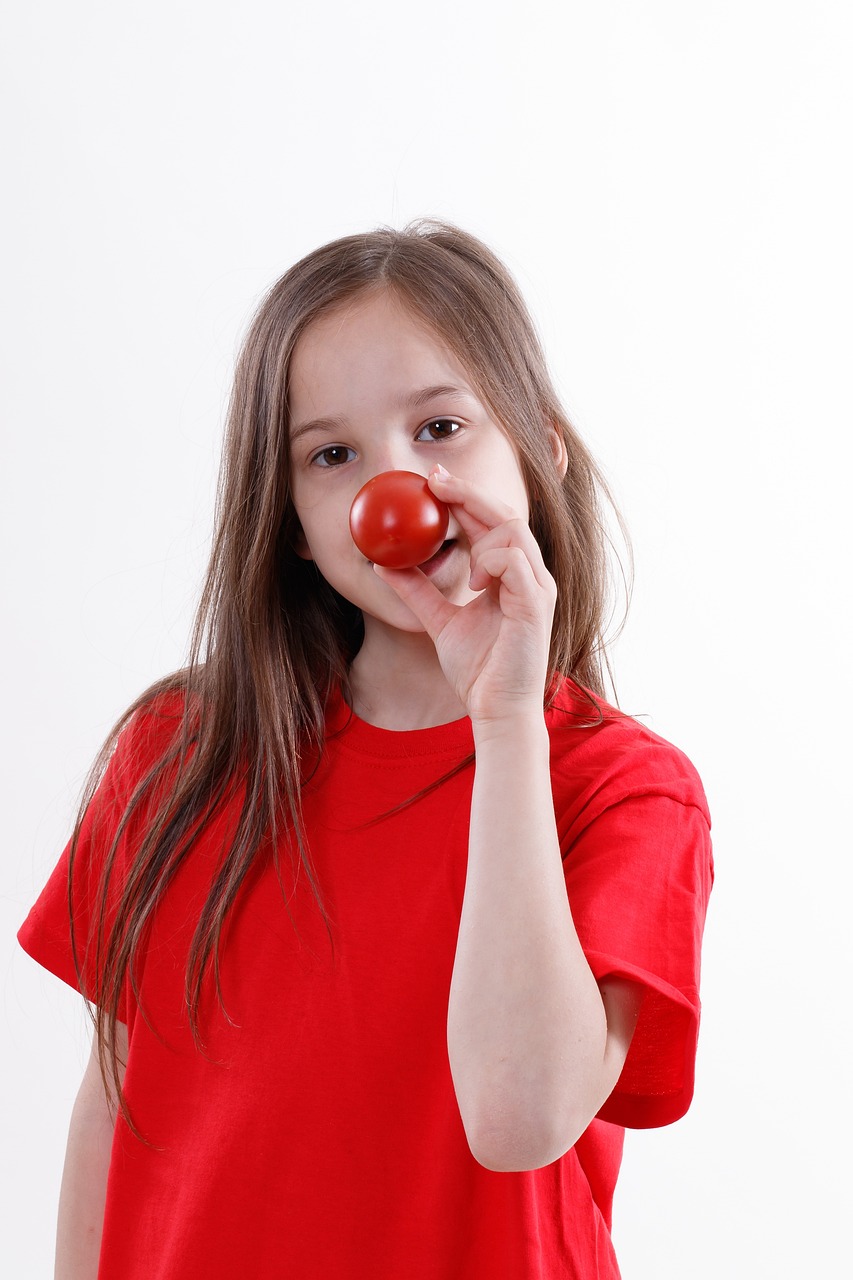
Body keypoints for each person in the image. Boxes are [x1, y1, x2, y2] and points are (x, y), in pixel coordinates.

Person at [19, 220, 713, 1279]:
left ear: (538, 448)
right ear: (294, 520)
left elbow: (517, 1115)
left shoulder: (623, 790)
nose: (398, 489)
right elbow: (116, 1104)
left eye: (439, 426)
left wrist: (506, 714)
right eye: (331, 454)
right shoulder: (175, 755)